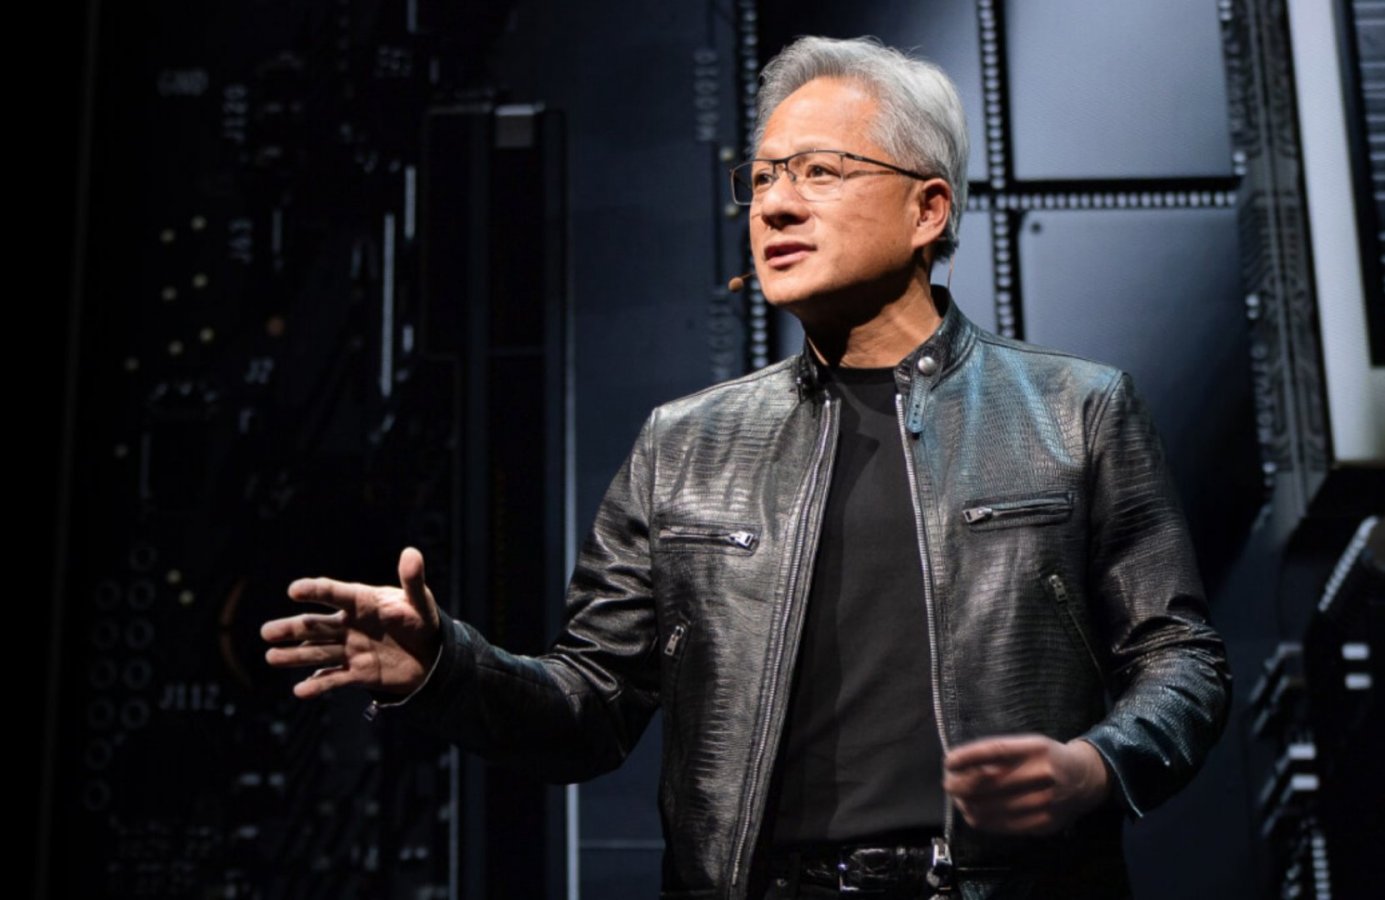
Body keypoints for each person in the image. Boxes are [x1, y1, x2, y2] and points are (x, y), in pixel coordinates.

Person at [261, 35, 1231, 900]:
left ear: (927, 209)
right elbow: (588, 707)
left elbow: (1180, 662)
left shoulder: (1074, 410)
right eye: (759, 180)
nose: (773, 204)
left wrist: (1095, 768)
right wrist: (444, 667)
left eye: (818, 172)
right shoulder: (683, 444)